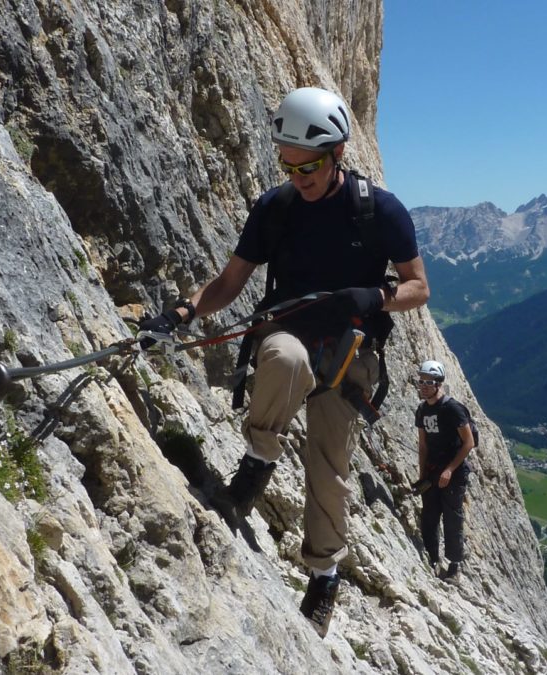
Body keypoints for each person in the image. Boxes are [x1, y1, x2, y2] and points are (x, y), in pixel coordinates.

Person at [140, 87, 429, 636]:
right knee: (284, 357)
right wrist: (181, 312)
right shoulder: (277, 209)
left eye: (310, 166)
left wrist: (377, 298)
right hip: (292, 337)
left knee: (330, 471)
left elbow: (419, 286)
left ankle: (323, 578)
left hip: (349, 354)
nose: (298, 176)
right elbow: (230, 282)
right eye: (288, 165)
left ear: (338, 153)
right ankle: (257, 462)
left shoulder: (379, 211)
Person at [413, 360, 474, 583]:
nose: (423, 386)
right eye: (421, 381)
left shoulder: (452, 409)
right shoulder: (422, 410)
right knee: (429, 515)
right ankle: (432, 558)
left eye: (428, 382)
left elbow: (468, 443)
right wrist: (422, 476)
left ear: (439, 384)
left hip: (454, 473)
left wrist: (449, 470)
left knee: (452, 518)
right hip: (432, 471)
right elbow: (423, 446)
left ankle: (455, 568)